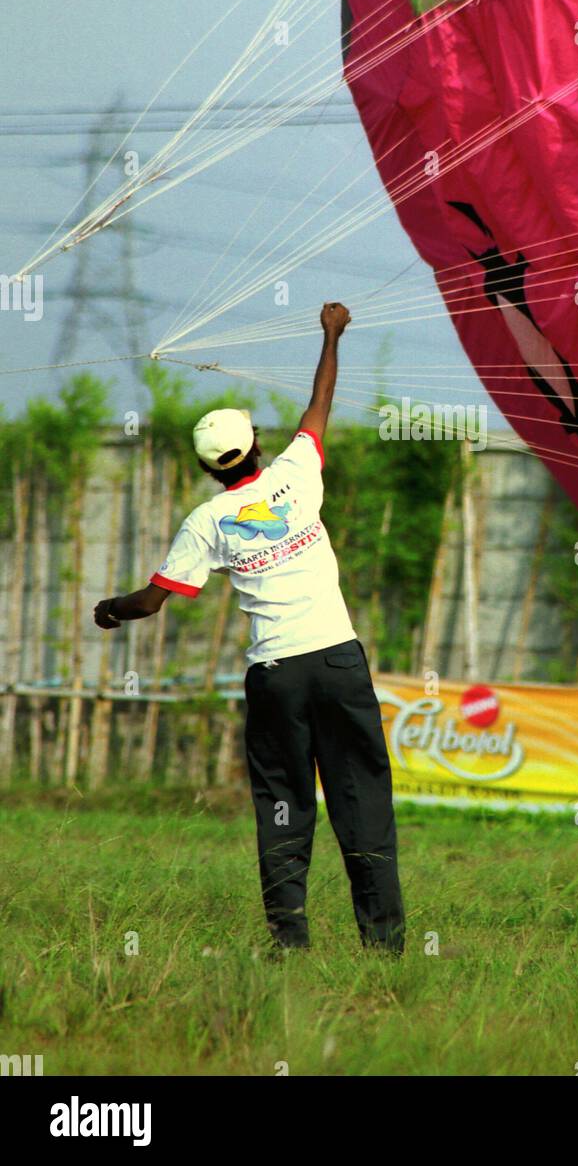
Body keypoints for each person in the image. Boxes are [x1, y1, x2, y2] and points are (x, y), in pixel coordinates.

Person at [94, 302, 405, 955]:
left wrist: (111, 609)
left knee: (284, 803)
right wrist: (331, 332)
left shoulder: (207, 521)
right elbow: (320, 399)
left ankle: (289, 943)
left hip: (276, 677)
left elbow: (152, 602)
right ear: (256, 446)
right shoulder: (298, 474)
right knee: (362, 799)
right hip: (340, 663)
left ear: (211, 468)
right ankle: (384, 945)